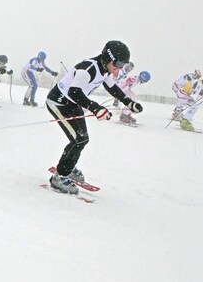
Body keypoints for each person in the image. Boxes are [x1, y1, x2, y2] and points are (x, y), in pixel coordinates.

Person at [45, 41, 143, 194]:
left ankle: (68, 166)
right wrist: (96, 108)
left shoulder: (106, 69)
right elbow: (74, 92)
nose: (119, 68)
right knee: (79, 139)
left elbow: (113, 88)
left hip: (73, 104)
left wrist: (129, 103)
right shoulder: (88, 69)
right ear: (108, 58)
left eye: (123, 65)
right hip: (59, 103)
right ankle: (60, 176)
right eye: (118, 63)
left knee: (82, 138)